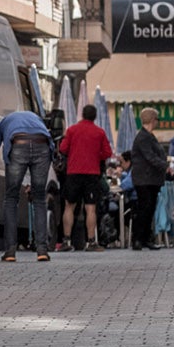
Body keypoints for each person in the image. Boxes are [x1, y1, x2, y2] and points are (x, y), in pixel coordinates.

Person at [0, 104, 53, 262]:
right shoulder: (36, 119)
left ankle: (10, 251)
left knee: (11, 198)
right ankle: (42, 250)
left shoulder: (3, 122)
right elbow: (49, 139)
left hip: (18, 144)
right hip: (43, 145)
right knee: (39, 199)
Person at [57, 104, 113, 251]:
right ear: (95, 116)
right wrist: (96, 156)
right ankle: (91, 242)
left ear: (82, 114)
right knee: (91, 208)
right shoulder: (99, 132)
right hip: (92, 173)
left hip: (74, 173)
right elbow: (107, 152)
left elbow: (63, 148)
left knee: (69, 206)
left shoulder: (72, 130)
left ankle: (67, 241)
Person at [127, 107, 167, 251]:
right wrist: (165, 165)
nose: (157, 122)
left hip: (150, 179)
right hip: (145, 179)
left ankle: (145, 238)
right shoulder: (143, 137)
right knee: (145, 208)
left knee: (148, 209)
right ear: (152, 120)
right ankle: (138, 239)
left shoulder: (148, 136)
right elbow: (150, 157)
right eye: (157, 119)